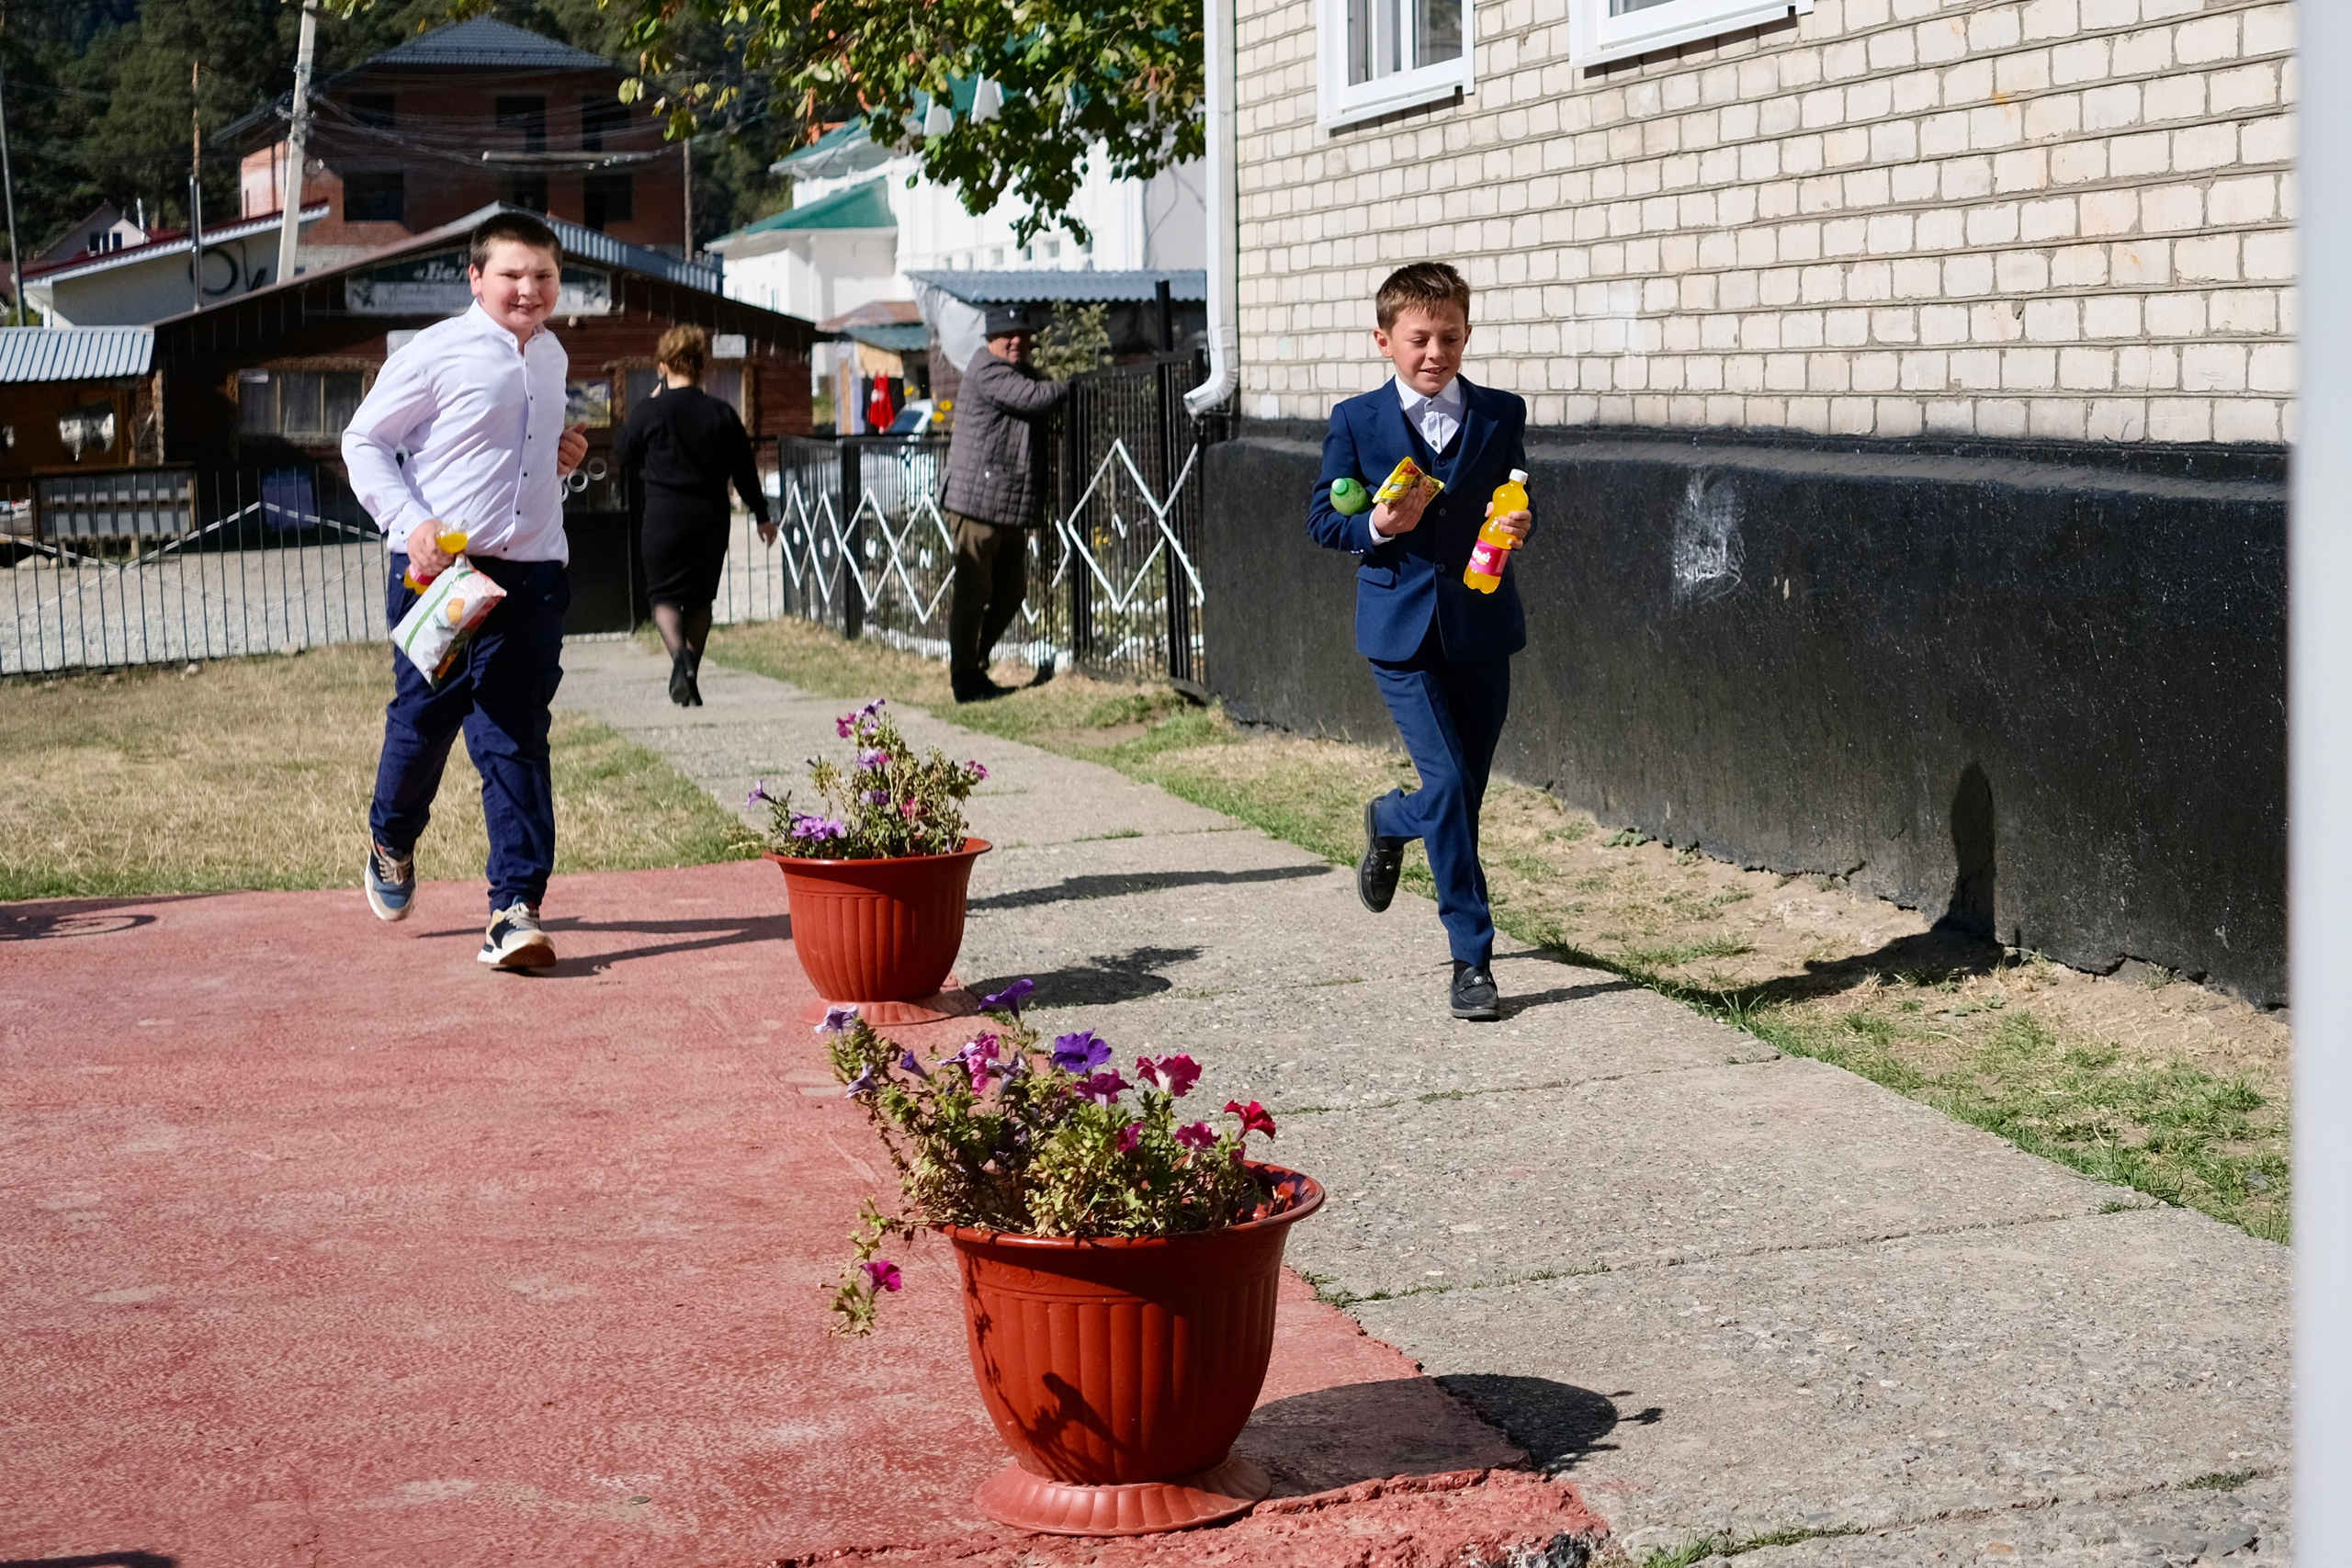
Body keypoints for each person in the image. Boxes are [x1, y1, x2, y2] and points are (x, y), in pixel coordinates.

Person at [343, 211, 589, 970]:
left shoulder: (551, 357)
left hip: (532, 574)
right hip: (441, 573)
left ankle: (513, 908)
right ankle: (391, 838)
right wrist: (411, 520)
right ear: (476, 278)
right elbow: (363, 441)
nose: (529, 289)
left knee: (514, 734)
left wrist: (563, 457)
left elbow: (521, 461)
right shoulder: (435, 352)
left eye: (543, 275)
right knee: (423, 725)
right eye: (512, 274)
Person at [1303, 262, 1535, 1021]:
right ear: (1384, 340)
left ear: (1468, 335)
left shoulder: (1502, 413)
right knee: (1448, 786)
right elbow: (1322, 520)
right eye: (1419, 338)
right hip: (1399, 632)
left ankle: (1388, 820)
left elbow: (1512, 495)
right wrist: (1375, 525)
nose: (1435, 352)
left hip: (1481, 624)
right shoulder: (1356, 420)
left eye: (1451, 337)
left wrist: (1521, 521)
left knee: (1460, 794)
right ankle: (1473, 958)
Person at [612, 324, 775, 706]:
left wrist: (648, 404)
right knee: (701, 600)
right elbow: (745, 470)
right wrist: (762, 515)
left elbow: (622, 449)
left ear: (664, 366)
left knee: (663, 597)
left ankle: (680, 659)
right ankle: (690, 674)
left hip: (665, 515)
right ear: (702, 367)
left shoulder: (652, 409)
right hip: (709, 516)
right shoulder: (720, 413)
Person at [940, 305, 1070, 703]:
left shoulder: (1015, 371)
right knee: (972, 591)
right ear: (989, 340)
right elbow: (1033, 398)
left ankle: (974, 662)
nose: (1017, 341)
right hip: (977, 503)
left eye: (1023, 334)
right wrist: (1075, 385)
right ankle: (965, 678)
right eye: (1007, 335)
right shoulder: (988, 371)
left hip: (1007, 504)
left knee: (1012, 591)